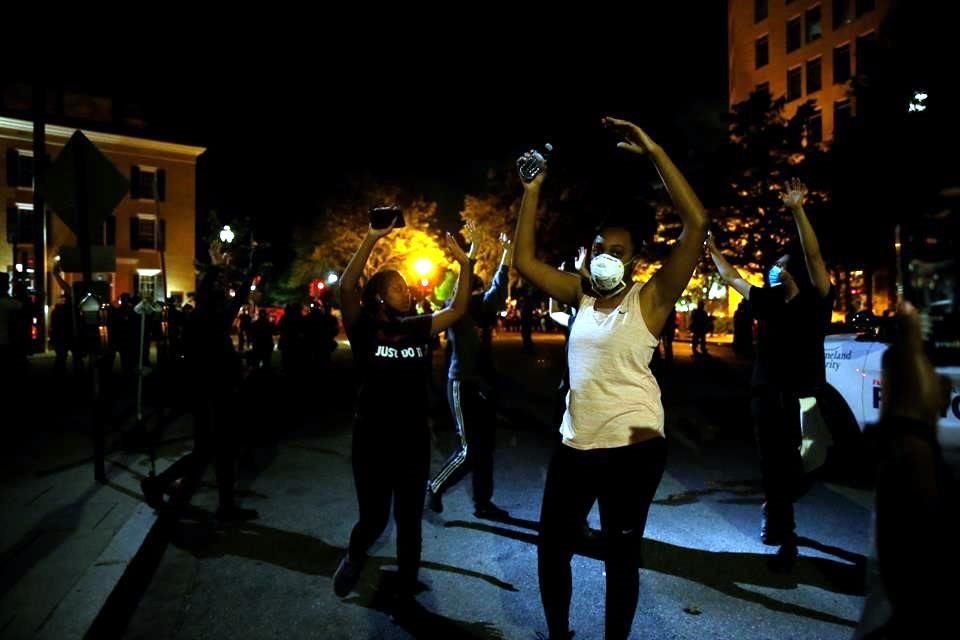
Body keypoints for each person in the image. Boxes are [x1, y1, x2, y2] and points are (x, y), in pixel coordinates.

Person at [513, 117, 708, 640]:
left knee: (621, 557)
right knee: (552, 546)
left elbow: (697, 223)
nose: (606, 258)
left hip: (632, 449)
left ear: (634, 260)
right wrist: (532, 190)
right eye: (600, 248)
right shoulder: (581, 295)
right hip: (576, 443)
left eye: (617, 252)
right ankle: (559, 634)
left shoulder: (651, 298)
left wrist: (655, 150)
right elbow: (524, 261)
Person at [332, 216, 473, 616]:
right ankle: (355, 556)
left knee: (410, 521)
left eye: (407, 285)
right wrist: (373, 236)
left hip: (412, 440)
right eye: (397, 285)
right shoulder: (362, 329)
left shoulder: (417, 328)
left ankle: (407, 588)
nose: (407, 290)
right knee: (374, 520)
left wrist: (465, 265)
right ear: (378, 294)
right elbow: (345, 286)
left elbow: (458, 308)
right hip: (372, 440)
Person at [707, 178, 834, 566]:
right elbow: (732, 279)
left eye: (777, 266)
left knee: (803, 464)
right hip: (766, 394)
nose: (771, 271)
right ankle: (781, 528)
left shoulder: (817, 300)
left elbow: (813, 256)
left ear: (791, 269)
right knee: (772, 463)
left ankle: (778, 508)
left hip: (803, 395)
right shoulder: (768, 301)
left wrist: (798, 210)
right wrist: (711, 250)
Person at [427, 229, 513, 519]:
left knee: (485, 449)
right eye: (470, 290)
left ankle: (483, 503)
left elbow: (499, 286)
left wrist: (507, 252)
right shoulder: (457, 312)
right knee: (470, 448)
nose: (475, 294)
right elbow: (470, 281)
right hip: (461, 384)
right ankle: (434, 486)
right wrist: (472, 249)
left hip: (483, 387)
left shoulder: (483, 308)